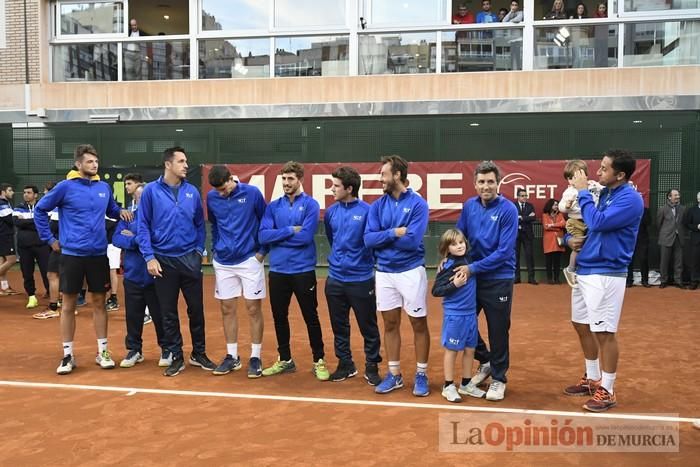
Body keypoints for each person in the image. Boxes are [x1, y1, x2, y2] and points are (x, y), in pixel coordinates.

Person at [34, 144, 131, 374]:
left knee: (99, 302)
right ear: (78, 164)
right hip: (71, 255)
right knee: (67, 304)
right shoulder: (65, 187)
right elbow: (40, 210)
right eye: (89, 162)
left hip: (98, 254)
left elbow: (112, 210)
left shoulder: (103, 188)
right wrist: (49, 239)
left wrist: (123, 213)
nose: (94, 165)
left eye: (96, 162)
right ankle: (67, 355)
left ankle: (103, 352)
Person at [563, 149, 643, 412]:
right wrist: (569, 240)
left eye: (605, 169)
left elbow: (596, 223)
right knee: (581, 324)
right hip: (585, 269)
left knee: (604, 332)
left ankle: (607, 390)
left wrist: (584, 191)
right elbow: (583, 227)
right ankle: (591, 378)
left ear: (620, 175)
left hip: (607, 273)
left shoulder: (631, 200)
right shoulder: (605, 193)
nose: (598, 173)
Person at [138, 147, 214, 377]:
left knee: (197, 311)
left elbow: (200, 225)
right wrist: (149, 257)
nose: (185, 165)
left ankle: (198, 353)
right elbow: (143, 226)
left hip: (189, 260)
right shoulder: (151, 191)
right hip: (162, 261)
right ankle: (176, 356)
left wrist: (198, 250)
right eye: (181, 161)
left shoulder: (192, 191)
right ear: (168, 165)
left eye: (186, 161)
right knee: (168, 312)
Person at [364, 155, 430, 397]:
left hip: (411, 271)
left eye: (383, 174)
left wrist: (384, 238)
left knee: (418, 323)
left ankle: (421, 374)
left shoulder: (418, 205)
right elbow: (368, 240)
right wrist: (394, 233)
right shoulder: (377, 206)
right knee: (390, 324)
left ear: (397, 175)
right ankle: (394, 374)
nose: (380, 178)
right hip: (384, 273)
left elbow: (412, 241)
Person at [258, 161, 329, 381]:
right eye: (284, 179)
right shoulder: (273, 206)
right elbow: (263, 236)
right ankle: (285, 359)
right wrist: (289, 230)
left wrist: (278, 236)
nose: (286, 183)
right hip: (278, 270)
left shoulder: (311, 205)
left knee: (311, 316)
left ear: (300, 179)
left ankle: (319, 360)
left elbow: (305, 237)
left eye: (290, 179)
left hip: (302, 270)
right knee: (279, 316)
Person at [455, 161, 518, 401]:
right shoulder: (469, 206)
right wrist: (449, 259)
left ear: (498, 183)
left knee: (498, 330)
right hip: (473, 277)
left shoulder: (508, 209)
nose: (486, 186)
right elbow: (459, 237)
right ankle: (487, 360)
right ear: (475, 184)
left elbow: (504, 251)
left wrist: (472, 268)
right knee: (464, 323)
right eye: (481, 182)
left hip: (498, 278)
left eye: (490, 181)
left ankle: (499, 378)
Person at [206, 165, 268, 378]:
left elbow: (265, 221)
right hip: (223, 261)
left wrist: (261, 251)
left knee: (253, 308)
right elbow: (214, 225)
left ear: (232, 179)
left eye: (224, 188)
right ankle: (232, 356)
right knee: (227, 308)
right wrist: (215, 248)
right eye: (218, 190)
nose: (222, 193)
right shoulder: (212, 197)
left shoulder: (252, 193)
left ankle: (255, 356)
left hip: (249, 259)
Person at [324, 166, 382, 385]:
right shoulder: (331, 212)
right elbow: (332, 238)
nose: (332, 189)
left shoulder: (368, 211)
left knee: (368, 326)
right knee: (339, 325)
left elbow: (372, 242)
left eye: (336, 186)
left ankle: (372, 366)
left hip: (361, 279)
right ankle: (345, 364)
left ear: (349, 188)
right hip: (335, 279)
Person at [112, 184, 166, 368]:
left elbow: (157, 238)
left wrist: (134, 236)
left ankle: (166, 349)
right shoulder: (128, 216)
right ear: (134, 198)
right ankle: (134, 350)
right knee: (133, 316)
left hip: (155, 275)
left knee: (160, 315)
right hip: (133, 275)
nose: (141, 199)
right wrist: (137, 239)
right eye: (138, 196)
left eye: (145, 196)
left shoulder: (158, 216)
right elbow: (117, 238)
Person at [432, 228, 486, 403]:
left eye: (461, 242)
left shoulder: (469, 260)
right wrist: (454, 284)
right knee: (452, 350)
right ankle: (448, 386)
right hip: (455, 315)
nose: (459, 246)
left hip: (471, 314)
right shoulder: (447, 266)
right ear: (447, 248)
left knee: (470, 349)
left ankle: (466, 384)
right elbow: (436, 290)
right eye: (454, 244)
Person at [559, 160, 603, 287]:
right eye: (570, 178)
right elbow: (561, 207)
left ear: (585, 175)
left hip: (590, 220)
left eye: (577, 176)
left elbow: (604, 189)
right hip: (575, 222)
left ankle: (586, 270)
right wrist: (566, 206)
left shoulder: (593, 185)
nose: (573, 181)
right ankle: (571, 269)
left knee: (590, 245)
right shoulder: (569, 192)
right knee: (577, 246)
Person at [13, 185, 50, 309]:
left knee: (47, 272)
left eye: (29, 192)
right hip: (24, 246)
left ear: (35, 195)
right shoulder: (18, 207)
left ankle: (52, 296)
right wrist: (35, 221)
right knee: (27, 273)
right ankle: (32, 297)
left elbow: (46, 222)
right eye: (24, 192)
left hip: (42, 245)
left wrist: (26, 221)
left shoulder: (43, 206)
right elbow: (17, 223)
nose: (25, 195)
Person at [124, 173, 151, 324]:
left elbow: (148, 233)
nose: (127, 187)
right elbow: (120, 236)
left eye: (129, 183)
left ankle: (149, 312)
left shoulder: (150, 210)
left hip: (151, 256)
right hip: (134, 260)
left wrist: (133, 235)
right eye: (126, 184)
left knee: (151, 284)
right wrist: (135, 238)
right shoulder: (129, 208)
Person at [32, 181, 62, 320]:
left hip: (61, 246)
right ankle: (68, 306)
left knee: (52, 275)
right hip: (71, 246)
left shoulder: (57, 209)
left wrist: (51, 239)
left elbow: (54, 227)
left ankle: (53, 308)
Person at [657, 189, 686, 289]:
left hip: (679, 238)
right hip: (666, 238)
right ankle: (663, 281)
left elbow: (684, 223)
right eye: (675, 195)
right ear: (669, 197)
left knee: (679, 261)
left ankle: (678, 280)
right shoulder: (662, 209)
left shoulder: (683, 208)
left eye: (678, 195)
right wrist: (665, 233)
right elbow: (658, 224)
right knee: (664, 261)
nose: (678, 197)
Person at [514, 188, 537, 284]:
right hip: (516, 234)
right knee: (515, 256)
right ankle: (517, 277)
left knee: (529, 256)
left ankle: (531, 278)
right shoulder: (513, 206)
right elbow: (513, 218)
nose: (524, 197)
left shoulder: (530, 206)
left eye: (526, 196)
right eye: (522, 196)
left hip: (527, 234)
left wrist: (521, 217)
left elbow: (533, 217)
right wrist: (526, 217)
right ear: (518, 197)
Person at [0, 183, 19, 295]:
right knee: (11, 260)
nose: (12, 192)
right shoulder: (2, 203)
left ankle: (4, 288)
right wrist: (18, 217)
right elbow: (11, 220)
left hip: (3, 235)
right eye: (10, 190)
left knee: (2, 261)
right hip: (4, 236)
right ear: (3, 191)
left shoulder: (5, 203)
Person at [542, 198, 566, 284]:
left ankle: (557, 279)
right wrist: (557, 227)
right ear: (550, 206)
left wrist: (552, 225)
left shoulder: (560, 215)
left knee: (557, 262)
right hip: (549, 241)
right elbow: (546, 227)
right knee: (549, 261)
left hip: (558, 241)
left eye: (557, 205)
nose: (556, 206)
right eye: (555, 205)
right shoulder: (545, 215)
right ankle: (550, 279)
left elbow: (564, 224)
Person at [627, 207, 650, 288]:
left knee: (643, 259)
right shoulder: (627, 209)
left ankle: (645, 280)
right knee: (629, 260)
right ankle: (629, 280)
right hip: (629, 239)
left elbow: (648, 222)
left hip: (642, 239)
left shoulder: (645, 210)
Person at [104, 213, 121, 312]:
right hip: (102, 245)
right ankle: (108, 298)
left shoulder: (114, 212)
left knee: (112, 270)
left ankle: (113, 298)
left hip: (113, 245)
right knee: (104, 271)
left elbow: (105, 227)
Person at [684, 192, 700, 290]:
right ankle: (694, 281)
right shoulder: (692, 210)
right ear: (698, 199)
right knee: (694, 262)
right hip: (696, 240)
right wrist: (697, 227)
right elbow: (687, 224)